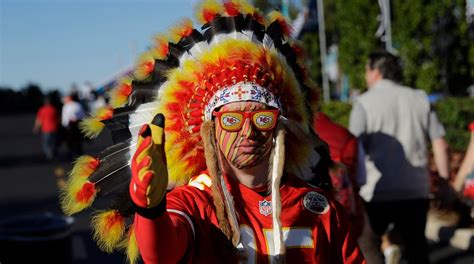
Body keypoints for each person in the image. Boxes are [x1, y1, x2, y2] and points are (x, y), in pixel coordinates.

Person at [60, 1, 365, 263]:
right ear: (210, 132)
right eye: (231, 121)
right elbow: (163, 253)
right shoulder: (195, 201)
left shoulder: (319, 206)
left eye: (262, 119)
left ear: (280, 128)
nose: (248, 133)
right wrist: (150, 208)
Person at [349, 51, 450, 264]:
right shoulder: (420, 98)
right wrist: (443, 181)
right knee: (416, 247)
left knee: (369, 245)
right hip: (415, 188)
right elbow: (440, 144)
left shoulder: (364, 103)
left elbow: (353, 149)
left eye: (367, 69)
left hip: (376, 191)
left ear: (376, 71)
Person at [313, 112, 366, 239]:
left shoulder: (292, 135)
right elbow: (361, 178)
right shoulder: (346, 135)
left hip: (311, 212)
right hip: (346, 213)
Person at [33, 95, 60, 161]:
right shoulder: (54, 109)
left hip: (45, 129)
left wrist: (36, 128)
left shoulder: (42, 110)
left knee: (46, 143)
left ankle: (49, 155)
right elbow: (59, 119)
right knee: (53, 143)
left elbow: (39, 120)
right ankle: (52, 154)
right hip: (54, 128)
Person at [61, 92, 86, 159]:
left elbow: (65, 117)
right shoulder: (78, 105)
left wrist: (65, 125)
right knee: (78, 141)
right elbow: (82, 115)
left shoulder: (66, 106)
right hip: (77, 124)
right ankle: (79, 154)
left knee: (70, 141)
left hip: (70, 125)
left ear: (69, 99)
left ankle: (72, 154)